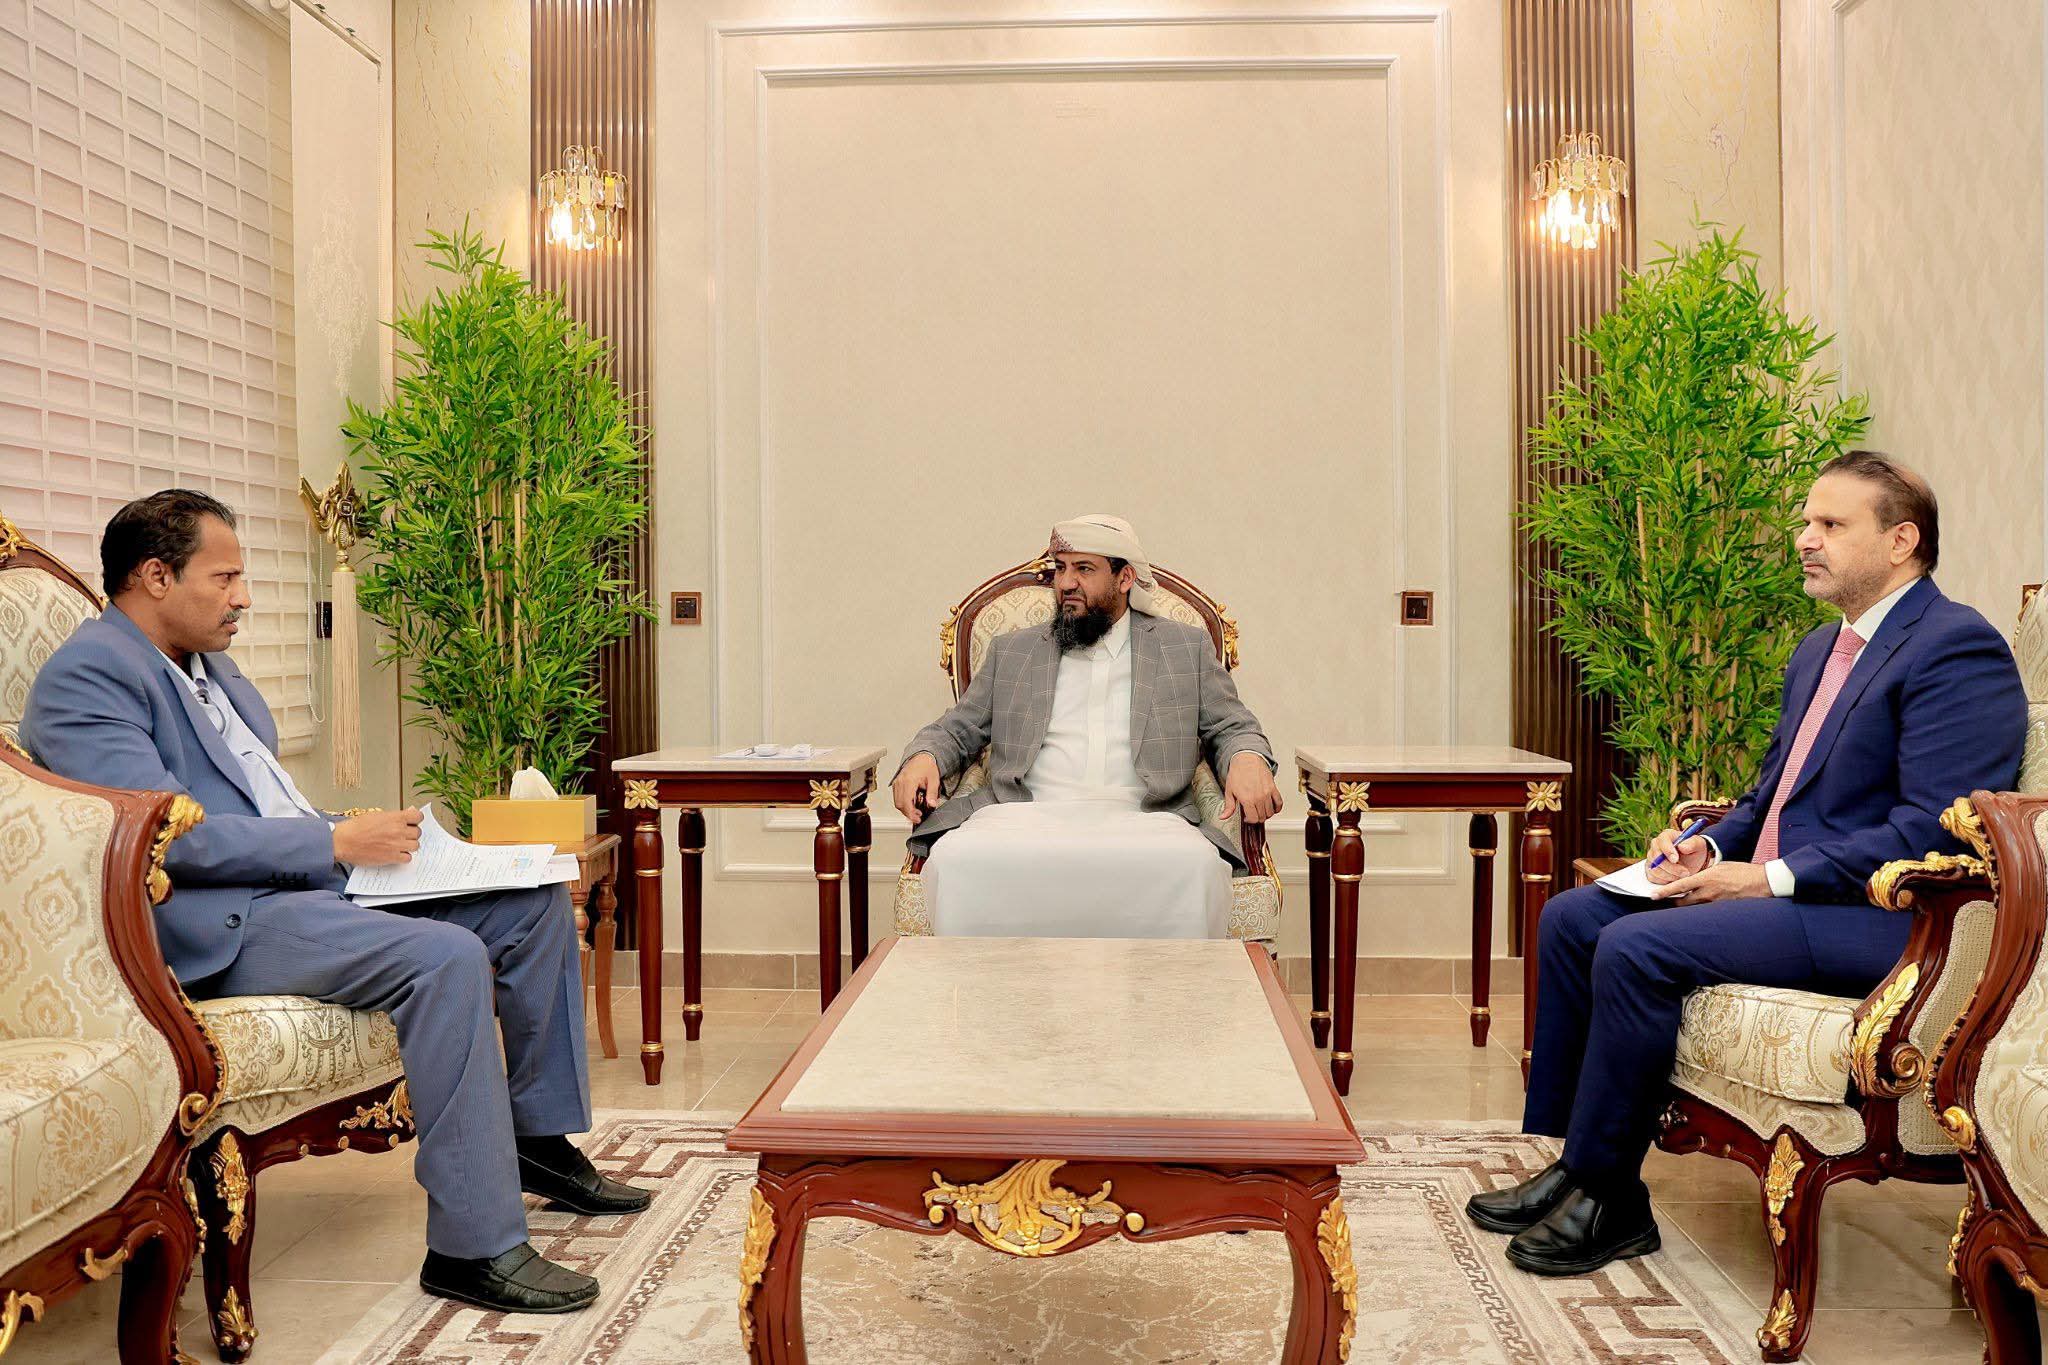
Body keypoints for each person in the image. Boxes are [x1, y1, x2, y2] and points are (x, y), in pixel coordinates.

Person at [23, 489, 650, 1315]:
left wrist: (360, 836)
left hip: (301, 885)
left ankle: (536, 1138)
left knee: (529, 901)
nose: (244, 596)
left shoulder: (210, 668)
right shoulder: (91, 675)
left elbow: (260, 802)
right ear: (155, 577)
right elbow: (168, 838)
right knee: (447, 957)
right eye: (225, 577)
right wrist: (332, 844)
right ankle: (472, 1247)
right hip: (224, 920)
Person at [1467, 451, 2027, 1277]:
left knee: (1635, 946)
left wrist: (1761, 878)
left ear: (1901, 540)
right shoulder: (1820, 648)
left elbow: (1928, 834)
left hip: (1885, 919)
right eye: (1807, 522)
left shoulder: (1955, 647)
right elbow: (1770, 796)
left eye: (1830, 524)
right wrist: (1713, 845)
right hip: (1797, 899)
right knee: (1573, 916)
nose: (1805, 538)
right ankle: (1578, 1165)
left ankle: (1610, 1200)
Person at [891, 514, 1283, 937]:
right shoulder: (1014, 651)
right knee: (956, 860)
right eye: (1061, 569)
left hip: (1147, 821)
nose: (1066, 583)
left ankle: (1163, 986)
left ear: (1125, 578)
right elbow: (957, 727)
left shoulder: (1183, 648)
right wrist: (924, 756)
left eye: (1084, 569)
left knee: (1197, 867)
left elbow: (1232, 723)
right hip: (1023, 817)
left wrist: (1246, 757)